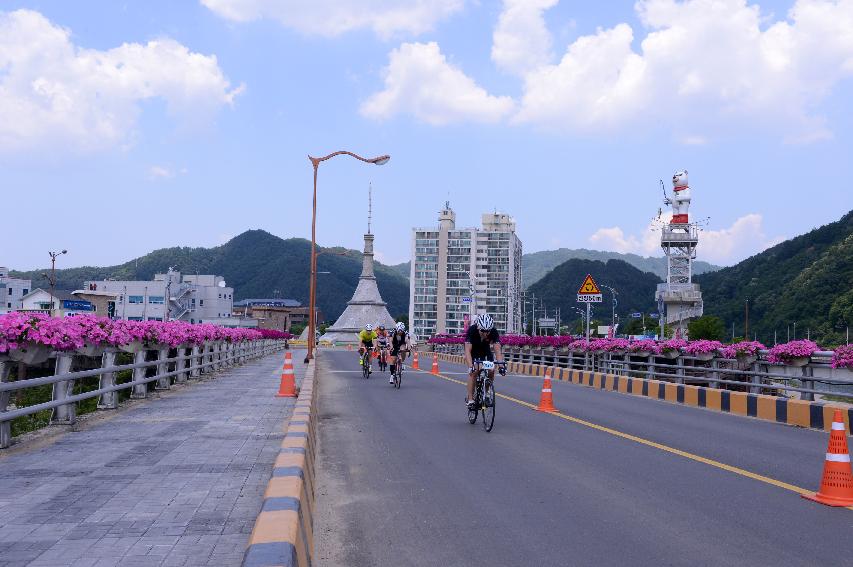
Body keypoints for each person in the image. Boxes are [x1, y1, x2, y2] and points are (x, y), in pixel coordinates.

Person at [464, 314, 506, 409]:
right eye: (483, 330)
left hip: (485, 351)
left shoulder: (493, 332)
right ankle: (470, 399)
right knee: (474, 371)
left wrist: (501, 367)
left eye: (488, 331)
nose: (485, 333)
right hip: (474, 351)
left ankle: (486, 393)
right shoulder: (472, 330)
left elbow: (497, 351)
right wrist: (471, 367)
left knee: (491, 370)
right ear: (478, 328)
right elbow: (467, 351)